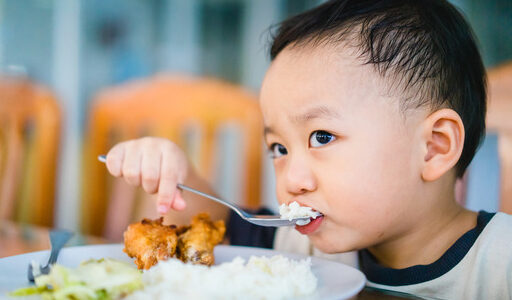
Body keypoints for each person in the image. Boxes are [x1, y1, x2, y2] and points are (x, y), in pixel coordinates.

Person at [103, 0, 512, 298]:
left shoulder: (501, 265)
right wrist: (175, 173)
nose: (291, 181)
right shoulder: (300, 246)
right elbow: (214, 229)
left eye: (322, 137)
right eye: (278, 148)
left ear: (433, 148)